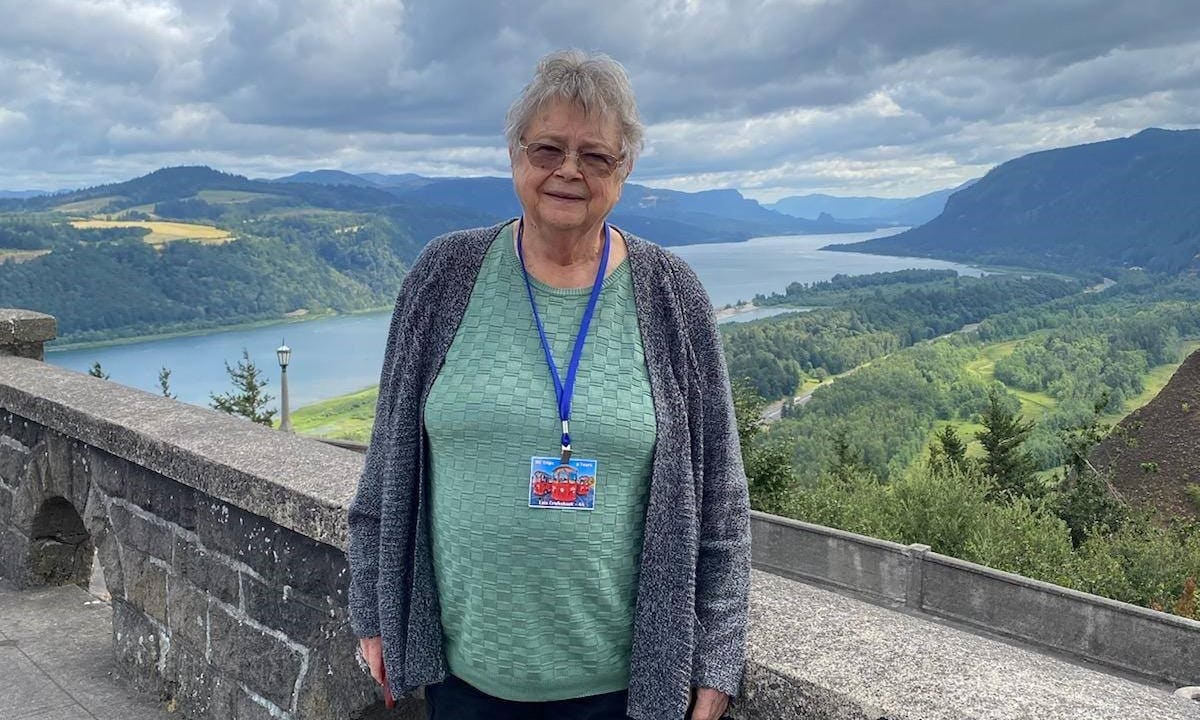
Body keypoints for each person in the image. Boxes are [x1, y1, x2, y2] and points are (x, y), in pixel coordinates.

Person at [347, 49, 750, 720]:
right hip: (462, 681)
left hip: (619, 694)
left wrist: (715, 662)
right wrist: (372, 606)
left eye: (596, 156)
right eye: (548, 149)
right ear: (515, 156)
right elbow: (385, 469)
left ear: (625, 171)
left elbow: (722, 505)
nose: (569, 170)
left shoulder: (672, 294)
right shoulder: (443, 277)